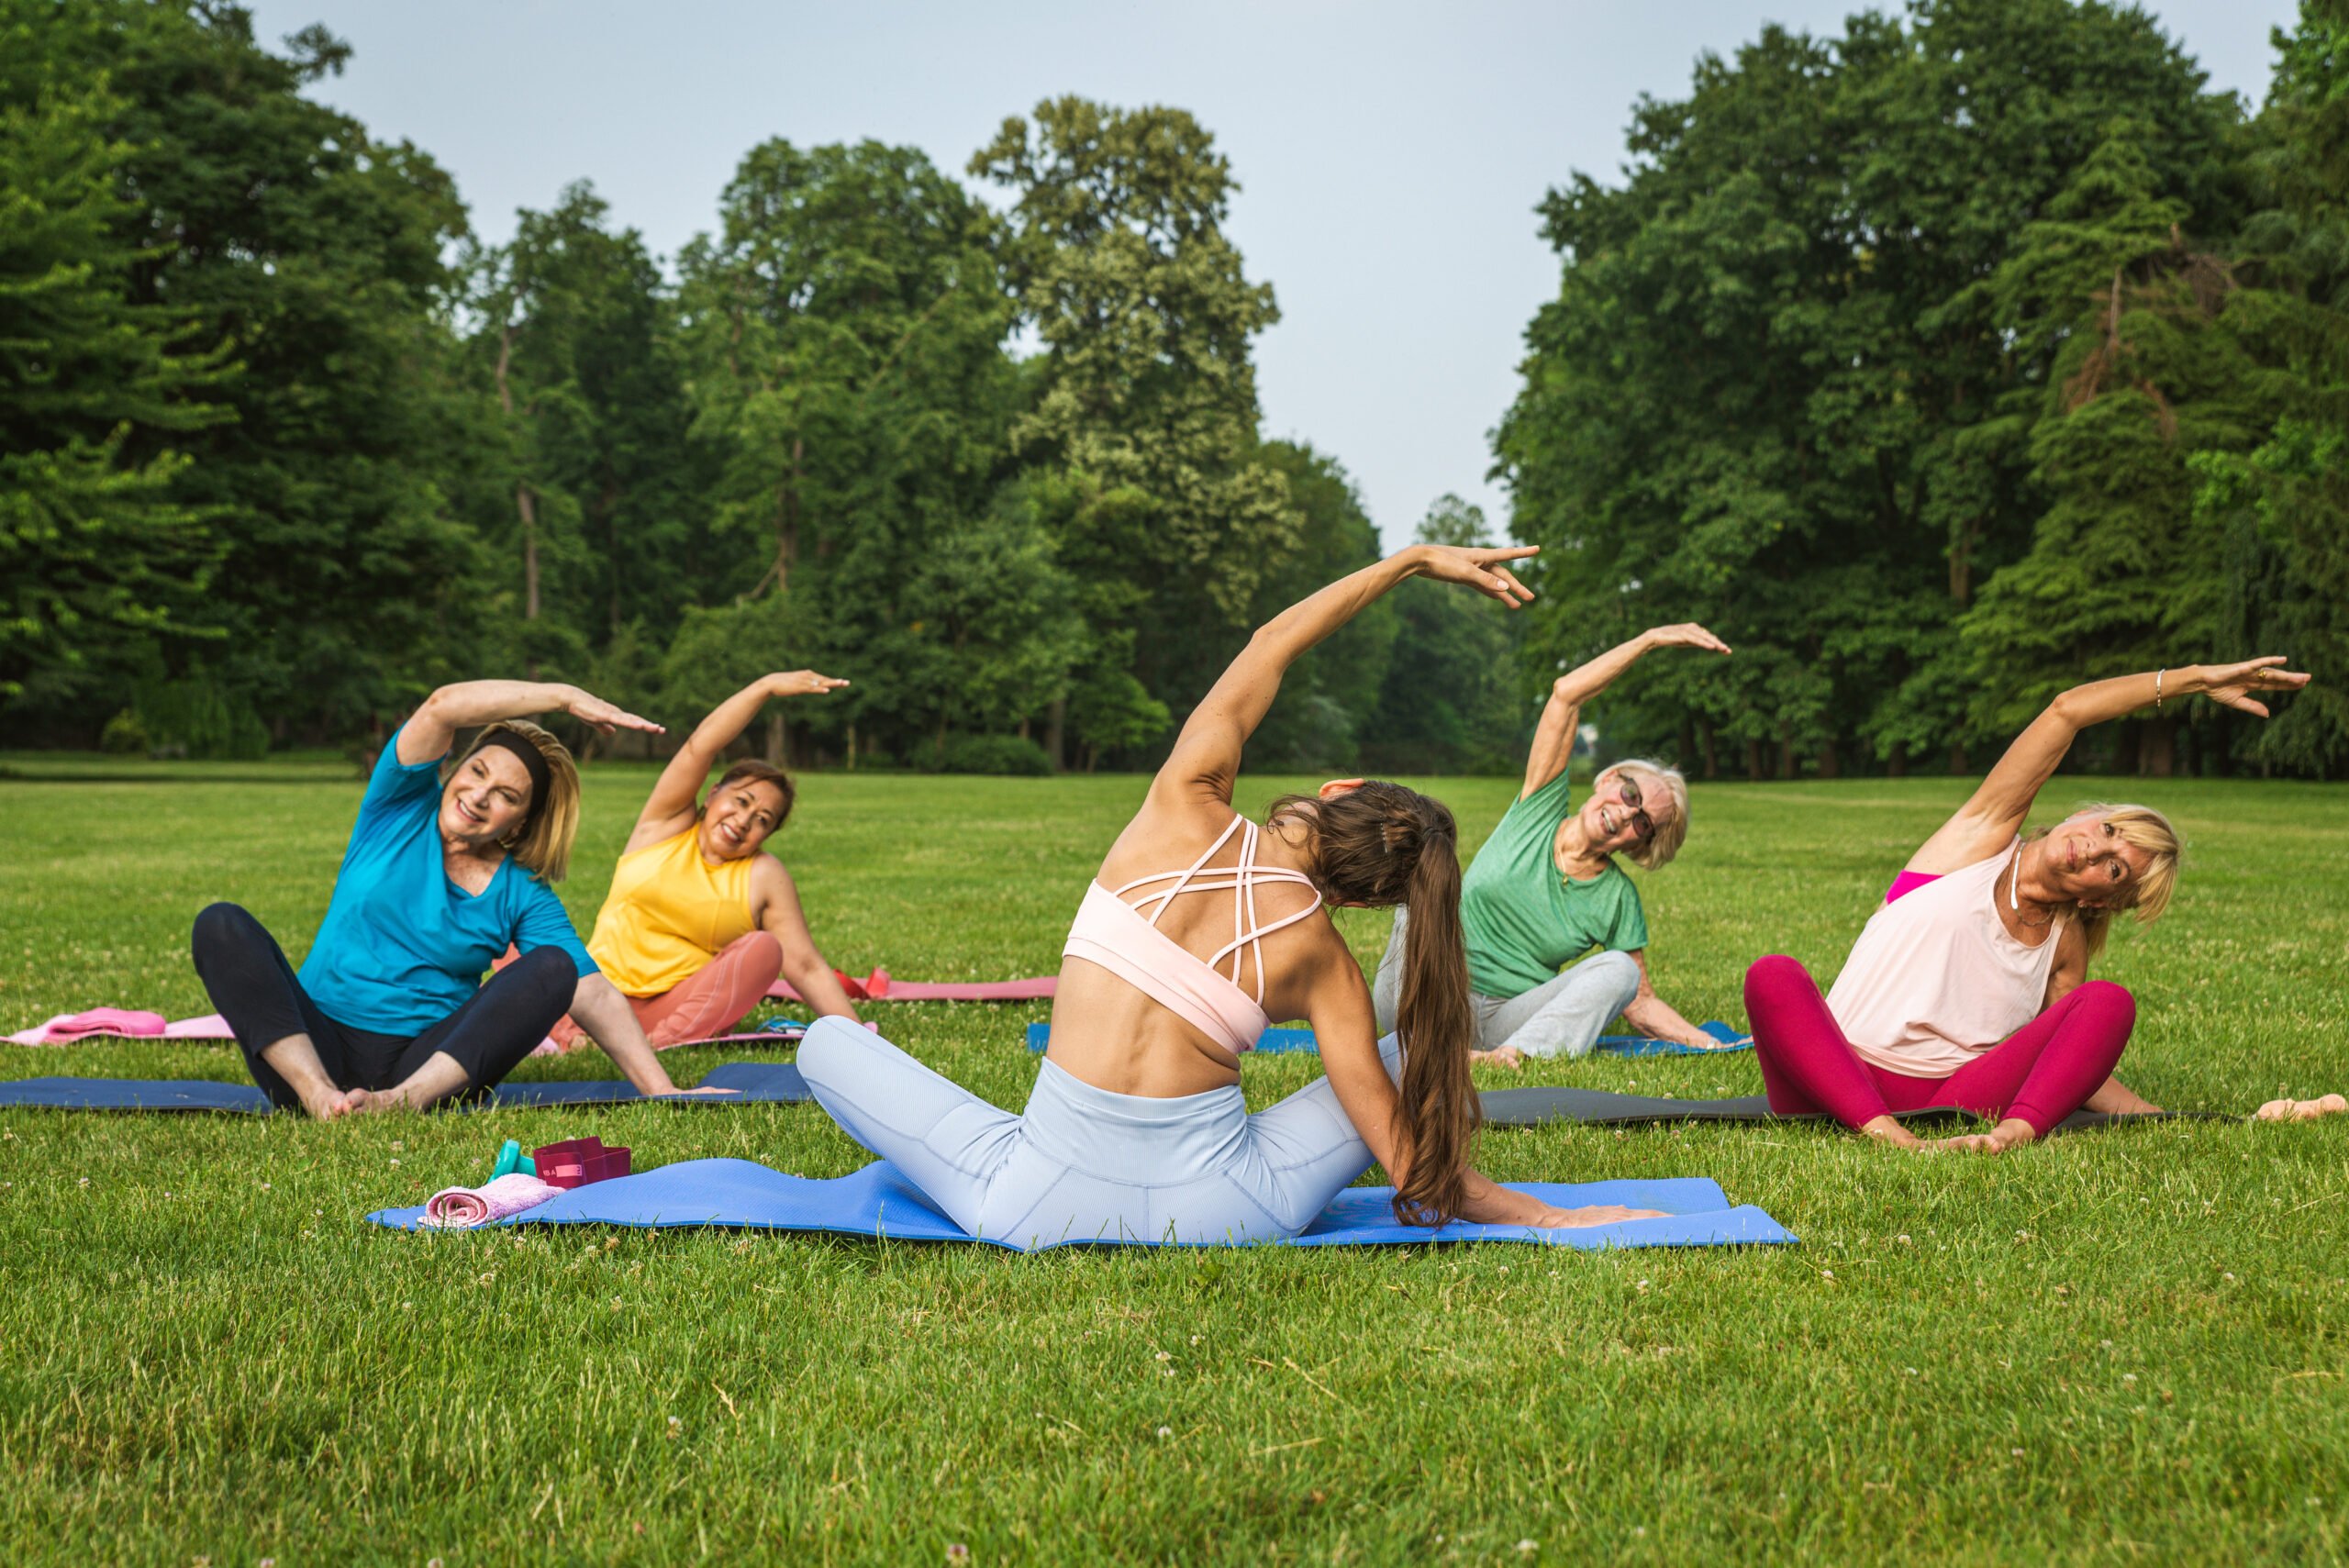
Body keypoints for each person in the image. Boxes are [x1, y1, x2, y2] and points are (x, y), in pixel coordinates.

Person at [797, 544, 1664, 1245]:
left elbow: (1269, 645)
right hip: (1223, 1212)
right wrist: (1549, 1216)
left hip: (1030, 1200)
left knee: (828, 1043)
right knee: (1397, 1057)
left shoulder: (1182, 800)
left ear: (1336, 790)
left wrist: (1408, 562)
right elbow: (1407, 1166)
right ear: (1368, 902)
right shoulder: (1326, 965)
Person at [1744, 658, 2327, 1151]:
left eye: (2114, 866)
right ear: (2082, 815)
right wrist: (2194, 679)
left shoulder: (2063, 943)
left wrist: (2192, 1121)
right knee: (1773, 975)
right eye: (2106, 828)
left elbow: (2073, 1060)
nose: (2093, 849)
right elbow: (2066, 712)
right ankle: (1891, 1137)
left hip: (1953, 1100)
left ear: (2107, 900)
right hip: (1837, 1079)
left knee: (2107, 1002)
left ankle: (2008, 1138)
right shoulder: (1976, 842)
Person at [190, 681, 722, 1118]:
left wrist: (660, 1089)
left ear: (521, 821)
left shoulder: (521, 891)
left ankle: (398, 1104)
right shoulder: (397, 810)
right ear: (454, 770)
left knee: (554, 965)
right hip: (318, 1045)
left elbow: (592, 993)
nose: (480, 796)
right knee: (221, 925)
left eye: (507, 796)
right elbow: (443, 706)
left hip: (426, 1068)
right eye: (477, 772)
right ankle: (318, 1098)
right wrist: (562, 697)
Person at [1374, 624, 1733, 1065]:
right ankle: (1428, 1049)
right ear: (1607, 779)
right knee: (1417, 889)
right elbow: (1566, 694)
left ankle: (1509, 1056)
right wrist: (1649, 640)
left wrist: (1705, 1040)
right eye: (1631, 794)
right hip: (1433, 998)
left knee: (1619, 969)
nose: (1626, 813)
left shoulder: (1617, 898)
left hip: (1511, 1021)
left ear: (1642, 844)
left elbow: (1636, 998)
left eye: (1643, 823)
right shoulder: (1538, 807)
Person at [547, 671, 863, 1051]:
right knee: (518, 898)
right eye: (741, 801)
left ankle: (647, 1046)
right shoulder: (663, 827)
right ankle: (573, 1034)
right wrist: (764, 687)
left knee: (764, 949)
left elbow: (806, 966)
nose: (744, 821)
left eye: (762, 820)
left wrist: (862, 1042)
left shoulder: (762, 875)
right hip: (592, 997)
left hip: (668, 1014)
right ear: (712, 794)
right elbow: (701, 746)